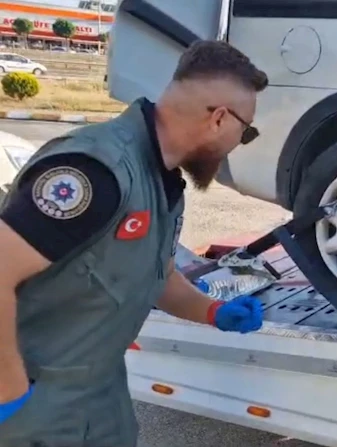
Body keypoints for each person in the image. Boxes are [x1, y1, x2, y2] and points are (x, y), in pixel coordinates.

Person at [0, 39, 269, 446]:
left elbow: (152, 276)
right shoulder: (96, 173)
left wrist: (213, 311)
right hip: (32, 405)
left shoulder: (160, 180)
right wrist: (9, 387)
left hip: (99, 397)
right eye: (245, 131)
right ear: (218, 119)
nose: (238, 143)